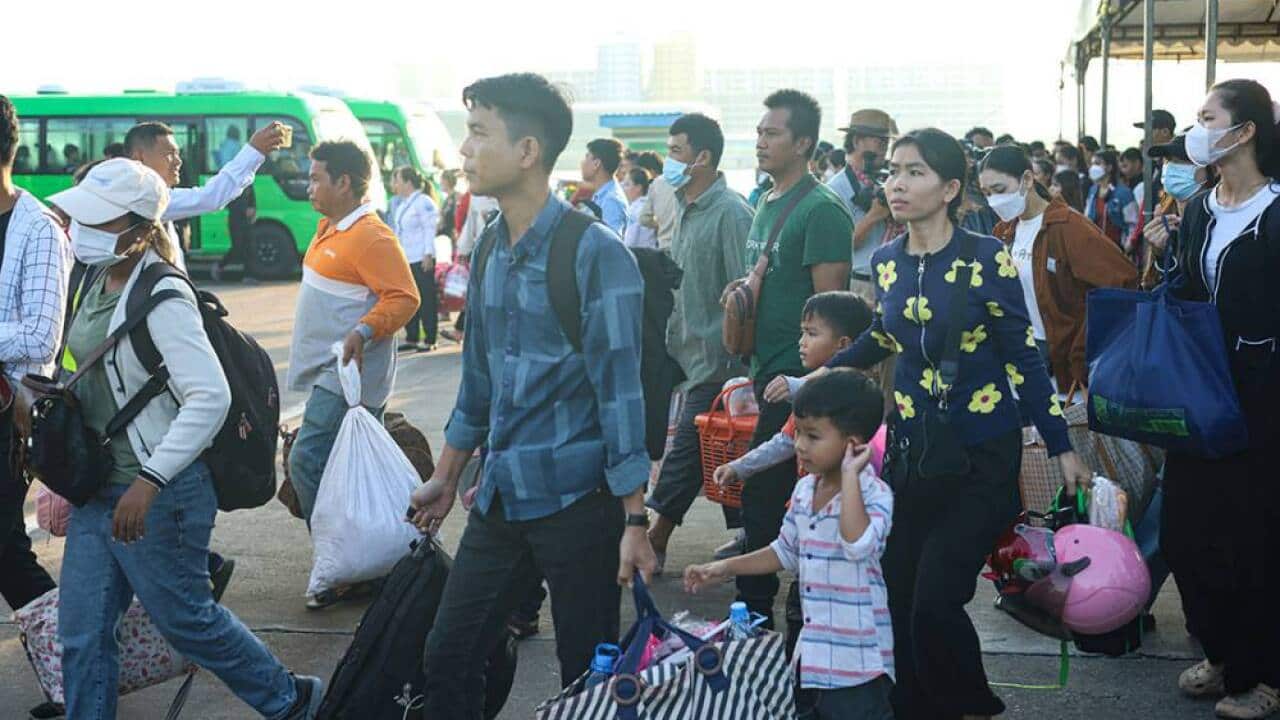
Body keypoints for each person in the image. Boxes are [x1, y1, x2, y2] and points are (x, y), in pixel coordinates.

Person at [791, 128, 1092, 719]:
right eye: (893, 172)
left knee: (936, 597)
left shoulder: (985, 258)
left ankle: (966, 702)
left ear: (951, 189)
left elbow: (1022, 356)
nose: (897, 184)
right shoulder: (886, 261)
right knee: (897, 588)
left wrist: (1062, 447)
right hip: (914, 453)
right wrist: (814, 377)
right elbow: (885, 335)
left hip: (981, 456)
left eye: (915, 172)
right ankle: (915, 705)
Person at [407, 73, 655, 719]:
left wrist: (635, 520)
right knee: (447, 654)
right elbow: (478, 384)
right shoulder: (492, 245)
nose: (465, 150)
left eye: (478, 133)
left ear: (527, 151)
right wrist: (445, 478)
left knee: (587, 675)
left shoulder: (596, 254)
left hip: (579, 502)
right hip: (501, 492)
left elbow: (621, 394)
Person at [49, 158, 322, 720]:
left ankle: (292, 699)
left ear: (139, 229)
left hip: (159, 495)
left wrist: (149, 482)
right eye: (83, 218)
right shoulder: (95, 277)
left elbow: (210, 397)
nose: (83, 230)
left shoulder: (165, 296)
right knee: (82, 632)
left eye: (99, 220)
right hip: (99, 488)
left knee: (188, 621)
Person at [1153, 79, 1280, 720]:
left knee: (1253, 539)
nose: (1197, 130)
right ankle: (1222, 651)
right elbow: (1188, 292)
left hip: (1262, 404)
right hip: (1198, 395)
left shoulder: (1276, 212)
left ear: (1245, 130)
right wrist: (1166, 256)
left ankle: (1263, 675)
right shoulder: (1201, 208)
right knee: (1185, 534)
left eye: (1208, 118)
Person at [686, 369, 893, 720]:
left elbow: (858, 545)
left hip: (858, 667)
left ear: (853, 443)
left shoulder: (875, 494)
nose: (799, 445)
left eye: (813, 436)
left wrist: (850, 478)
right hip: (812, 660)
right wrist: (723, 567)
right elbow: (784, 551)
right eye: (798, 432)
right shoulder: (805, 489)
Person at [732, 89, 852, 629]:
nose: (761, 141)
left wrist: (811, 384)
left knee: (769, 501)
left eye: (772, 133)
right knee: (765, 503)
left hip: (800, 383)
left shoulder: (821, 211)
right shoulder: (766, 201)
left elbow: (834, 313)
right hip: (766, 375)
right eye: (759, 132)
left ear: (803, 143)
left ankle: (758, 619)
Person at [285, 141, 419, 608]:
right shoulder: (329, 226)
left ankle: (339, 557)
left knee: (307, 459)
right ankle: (362, 560)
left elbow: (404, 298)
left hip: (348, 373)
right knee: (347, 470)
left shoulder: (372, 236)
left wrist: (362, 331)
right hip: (330, 370)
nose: (309, 187)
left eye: (316, 178)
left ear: (344, 182)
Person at [646, 112, 753, 571]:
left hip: (718, 358)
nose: (668, 161)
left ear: (703, 157)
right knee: (714, 450)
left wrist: (737, 353)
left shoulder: (731, 213)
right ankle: (748, 533)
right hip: (685, 351)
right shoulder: (683, 206)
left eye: (676, 151)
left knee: (690, 449)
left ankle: (656, 535)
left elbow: (745, 290)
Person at [981, 144, 1137, 393]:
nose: (993, 200)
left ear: (1027, 179)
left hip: (1063, 366)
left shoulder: (1069, 227)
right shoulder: (1005, 231)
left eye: (999, 190)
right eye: (986, 193)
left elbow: (1123, 283)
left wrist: (1082, 350)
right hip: (1018, 358)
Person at [0, 95, 65, 613]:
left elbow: (42, 336)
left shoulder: (39, 228)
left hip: (10, 415)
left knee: (5, 552)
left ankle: (70, 651)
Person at [126, 121, 288, 275]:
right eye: (169, 154)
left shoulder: (149, 197)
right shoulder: (141, 199)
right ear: (139, 157)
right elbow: (210, 197)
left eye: (178, 154)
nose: (178, 161)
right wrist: (254, 150)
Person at [829, 109, 898, 302]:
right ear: (857, 141)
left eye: (886, 141)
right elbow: (837, 246)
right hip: (863, 285)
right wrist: (874, 216)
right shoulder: (836, 189)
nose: (884, 147)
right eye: (879, 141)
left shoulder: (885, 181)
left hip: (894, 282)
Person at [1140, 133, 1217, 287]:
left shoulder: (1218, 218)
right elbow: (1152, 283)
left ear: (1213, 170)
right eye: (1168, 161)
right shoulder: (1164, 212)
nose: (1172, 168)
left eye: (1183, 162)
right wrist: (1160, 254)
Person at [390, 165, 440, 352]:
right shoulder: (403, 204)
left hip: (421, 258)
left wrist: (428, 254)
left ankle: (430, 338)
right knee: (409, 299)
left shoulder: (423, 202)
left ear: (408, 182)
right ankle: (412, 336)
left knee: (426, 299)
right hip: (406, 259)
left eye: (398, 181)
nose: (395, 185)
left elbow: (430, 229)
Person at [1085, 149, 1138, 247]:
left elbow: (1132, 224)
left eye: (1098, 163)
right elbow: (1087, 217)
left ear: (1109, 167)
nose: (1093, 167)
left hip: (1117, 248)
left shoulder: (1124, 193)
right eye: (1092, 164)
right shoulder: (1092, 191)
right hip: (1095, 246)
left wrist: (1127, 246)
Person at [580, 137, 628, 235]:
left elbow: (610, 241)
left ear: (596, 164)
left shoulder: (611, 201)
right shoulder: (602, 195)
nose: (582, 163)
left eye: (586, 157)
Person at [620, 166, 657, 249]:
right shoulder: (647, 206)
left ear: (638, 188)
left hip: (639, 254)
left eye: (627, 184)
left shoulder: (635, 210)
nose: (623, 188)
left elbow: (629, 241)